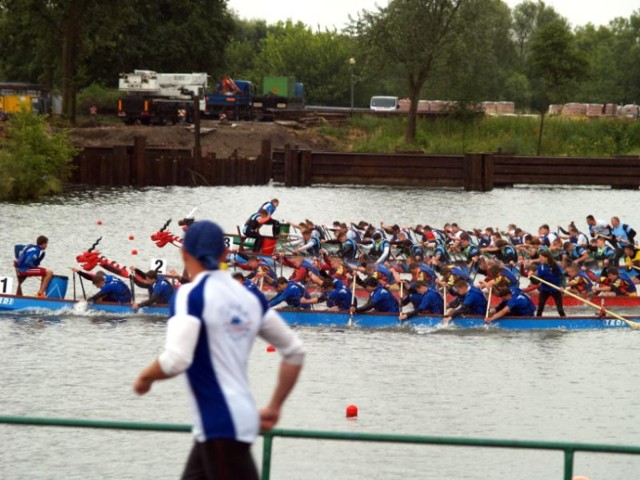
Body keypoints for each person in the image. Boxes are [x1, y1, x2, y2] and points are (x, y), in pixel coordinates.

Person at [133, 220, 304, 480]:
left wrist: (144, 377)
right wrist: (274, 406)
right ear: (225, 255)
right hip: (226, 423)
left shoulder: (189, 295)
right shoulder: (250, 297)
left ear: (184, 253)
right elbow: (294, 352)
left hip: (221, 423)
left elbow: (176, 360)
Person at [532, 250, 566, 317]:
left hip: (556, 288)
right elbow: (537, 281)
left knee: (560, 309)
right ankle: (538, 320)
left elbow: (562, 277)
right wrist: (531, 277)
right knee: (540, 307)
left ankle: (564, 319)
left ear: (546, 257)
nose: (539, 259)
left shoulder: (555, 265)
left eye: (541, 257)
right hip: (545, 289)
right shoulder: (540, 267)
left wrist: (562, 286)